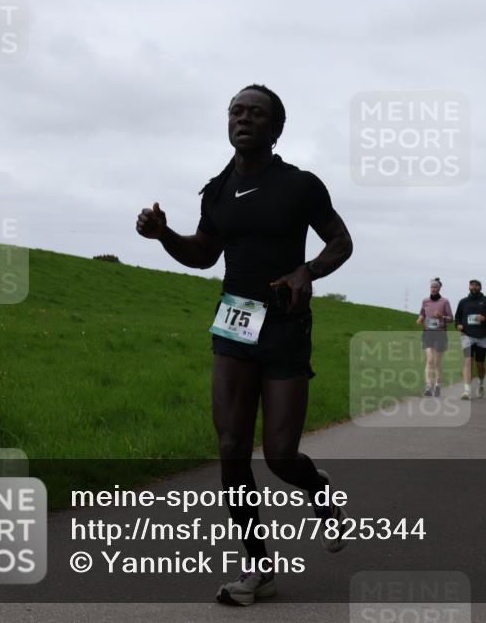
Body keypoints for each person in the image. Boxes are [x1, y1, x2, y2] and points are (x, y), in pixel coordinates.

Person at [136, 84, 354, 607]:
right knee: (232, 447)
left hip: (284, 325)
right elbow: (203, 255)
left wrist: (308, 270)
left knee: (279, 456)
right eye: (236, 111)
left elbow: (341, 241)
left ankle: (318, 490)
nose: (244, 118)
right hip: (235, 322)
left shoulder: (300, 185)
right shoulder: (216, 191)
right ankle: (258, 567)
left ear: (277, 129)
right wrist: (165, 235)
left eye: (257, 113)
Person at [454, 279, 486, 400]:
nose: (473, 287)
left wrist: (484, 318)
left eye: (476, 285)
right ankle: (466, 391)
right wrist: (458, 325)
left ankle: (481, 383)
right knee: (468, 361)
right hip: (467, 335)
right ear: (469, 287)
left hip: (482, 337)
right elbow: (457, 317)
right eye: (472, 285)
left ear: (480, 287)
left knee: (480, 365)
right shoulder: (463, 302)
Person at [416, 277, 453, 396]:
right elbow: (422, 313)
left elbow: (451, 319)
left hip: (440, 333)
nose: (433, 289)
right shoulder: (425, 301)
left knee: (437, 362)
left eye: (435, 287)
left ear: (439, 288)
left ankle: (438, 384)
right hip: (428, 333)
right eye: (432, 287)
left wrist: (442, 316)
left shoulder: (445, 302)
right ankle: (428, 386)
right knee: (430, 359)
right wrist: (420, 319)